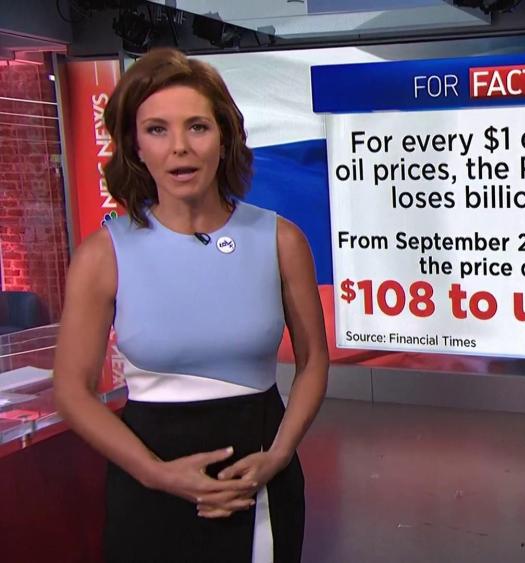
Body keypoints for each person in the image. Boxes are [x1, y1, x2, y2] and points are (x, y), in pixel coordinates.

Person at [53, 48, 329, 563]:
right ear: (135, 146)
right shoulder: (102, 255)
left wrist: (280, 454)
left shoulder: (281, 240)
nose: (179, 147)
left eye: (197, 127)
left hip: (259, 480)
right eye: (157, 129)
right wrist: (156, 474)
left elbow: (313, 361)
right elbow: (72, 390)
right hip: (148, 485)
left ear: (224, 138)